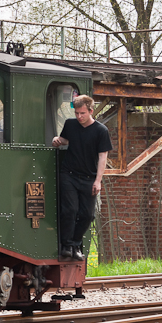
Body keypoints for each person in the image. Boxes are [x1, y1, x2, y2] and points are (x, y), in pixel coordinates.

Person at [51, 95, 112, 260]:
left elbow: (103, 157)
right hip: (69, 175)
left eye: (82, 113)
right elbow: (66, 140)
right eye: (77, 113)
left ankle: (75, 243)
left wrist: (98, 181)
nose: (79, 116)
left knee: (87, 215)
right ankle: (67, 245)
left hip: (89, 178)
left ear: (91, 111)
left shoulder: (101, 131)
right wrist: (58, 140)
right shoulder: (70, 124)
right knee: (69, 210)